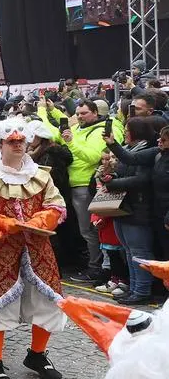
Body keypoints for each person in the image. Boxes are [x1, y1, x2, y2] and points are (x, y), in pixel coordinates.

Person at [0, 118, 68, 379]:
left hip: (38, 250)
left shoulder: (41, 175)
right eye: (12, 141)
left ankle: (38, 355)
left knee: (46, 302)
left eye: (21, 141)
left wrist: (42, 219)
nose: (18, 145)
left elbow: (56, 205)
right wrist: (5, 223)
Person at [101, 116, 168, 304]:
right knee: (130, 251)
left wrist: (114, 184)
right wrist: (111, 175)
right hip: (125, 208)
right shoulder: (133, 150)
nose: (124, 132)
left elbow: (141, 180)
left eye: (127, 129)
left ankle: (142, 291)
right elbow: (127, 162)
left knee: (140, 252)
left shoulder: (151, 152)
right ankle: (134, 288)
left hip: (139, 209)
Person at [65, 100, 124, 286]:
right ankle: (100, 268)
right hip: (78, 183)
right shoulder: (78, 129)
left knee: (93, 230)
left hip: (89, 185)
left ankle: (97, 268)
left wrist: (71, 144)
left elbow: (93, 156)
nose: (80, 117)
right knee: (89, 231)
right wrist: (44, 109)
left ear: (96, 112)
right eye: (78, 113)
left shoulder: (103, 130)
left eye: (83, 113)